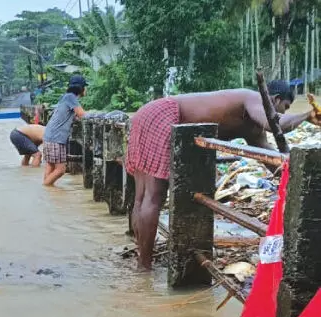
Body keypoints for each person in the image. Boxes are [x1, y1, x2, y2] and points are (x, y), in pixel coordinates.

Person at [127, 80, 321, 270]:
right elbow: (275, 123)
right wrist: (306, 115)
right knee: (153, 197)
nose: (283, 112)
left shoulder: (251, 126)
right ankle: (144, 267)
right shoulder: (253, 98)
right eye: (285, 107)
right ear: (276, 99)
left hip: (151, 112)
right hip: (164, 115)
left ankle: (142, 261)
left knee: (142, 198)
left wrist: (297, 181)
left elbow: (270, 156)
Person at [41, 75, 87, 186]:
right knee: (60, 170)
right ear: (81, 88)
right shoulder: (71, 97)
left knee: (51, 166)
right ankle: (45, 187)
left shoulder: (66, 97)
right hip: (56, 138)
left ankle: (46, 194)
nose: (86, 89)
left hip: (49, 136)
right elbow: (82, 115)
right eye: (85, 87)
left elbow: (70, 115)